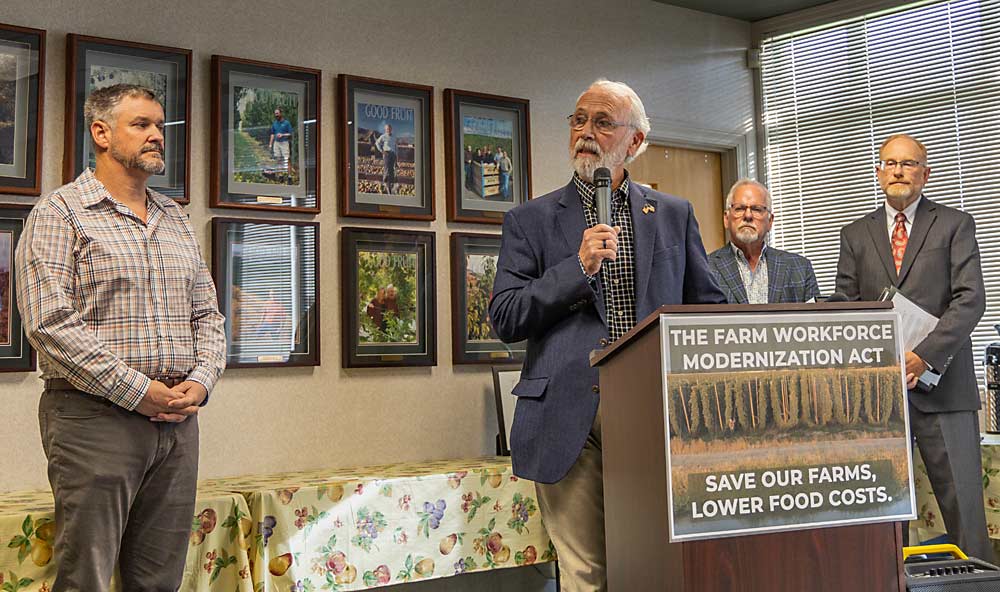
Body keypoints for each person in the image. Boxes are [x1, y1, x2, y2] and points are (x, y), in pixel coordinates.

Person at [489, 79, 725, 590]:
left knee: (656, 568)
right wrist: (575, 267)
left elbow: (707, 309)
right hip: (567, 415)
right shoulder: (529, 220)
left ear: (635, 142)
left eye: (602, 122)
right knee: (587, 575)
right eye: (578, 119)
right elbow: (506, 316)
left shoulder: (673, 215)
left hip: (655, 413)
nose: (585, 132)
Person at [15, 83, 226, 591]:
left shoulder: (175, 219)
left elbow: (208, 314)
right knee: (84, 575)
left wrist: (200, 382)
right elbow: (49, 324)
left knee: (159, 580)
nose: (157, 135)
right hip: (94, 420)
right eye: (142, 125)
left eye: (159, 125)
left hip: (178, 423)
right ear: (101, 133)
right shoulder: (59, 213)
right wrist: (139, 392)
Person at [835, 133, 989, 560]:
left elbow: (971, 298)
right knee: (881, 511)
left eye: (908, 163)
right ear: (879, 172)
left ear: (925, 173)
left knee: (964, 511)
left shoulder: (955, 224)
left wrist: (923, 355)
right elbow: (847, 307)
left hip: (945, 390)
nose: (898, 170)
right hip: (880, 395)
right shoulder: (855, 234)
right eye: (889, 163)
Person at [708, 179, 819, 304]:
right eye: (739, 208)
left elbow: (815, 321)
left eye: (757, 209)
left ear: (770, 221)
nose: (748, 216)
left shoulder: (800, 269)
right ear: (726, 219)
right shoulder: (706, 270)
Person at [269, 107, 293, 183]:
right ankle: (281, 176)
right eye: (275, 114)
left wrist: (282, 135)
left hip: (284, 143)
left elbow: (290, 134)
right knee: (278, 160)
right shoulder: (274, 123)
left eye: (277, 113)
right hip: (276, 143)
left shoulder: (286, 123)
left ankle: (289, 177)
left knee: (287, 160)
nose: (276, 115)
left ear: (281, 113)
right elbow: (272, 134)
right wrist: (270, 144)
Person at [375, 123, 397, 194]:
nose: (388, 130)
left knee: (392, 169)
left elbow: (395, 147)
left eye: (389, 128)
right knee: (387, 168)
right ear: (385, 129)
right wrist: (382, 151)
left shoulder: (394, 137)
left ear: (391, 129)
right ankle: (385, 183)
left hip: (393, 154)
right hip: (387, 153)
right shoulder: (383, 136)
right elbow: (377, 143)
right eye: (387, 129)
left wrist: (396, 156)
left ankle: (390, 184)